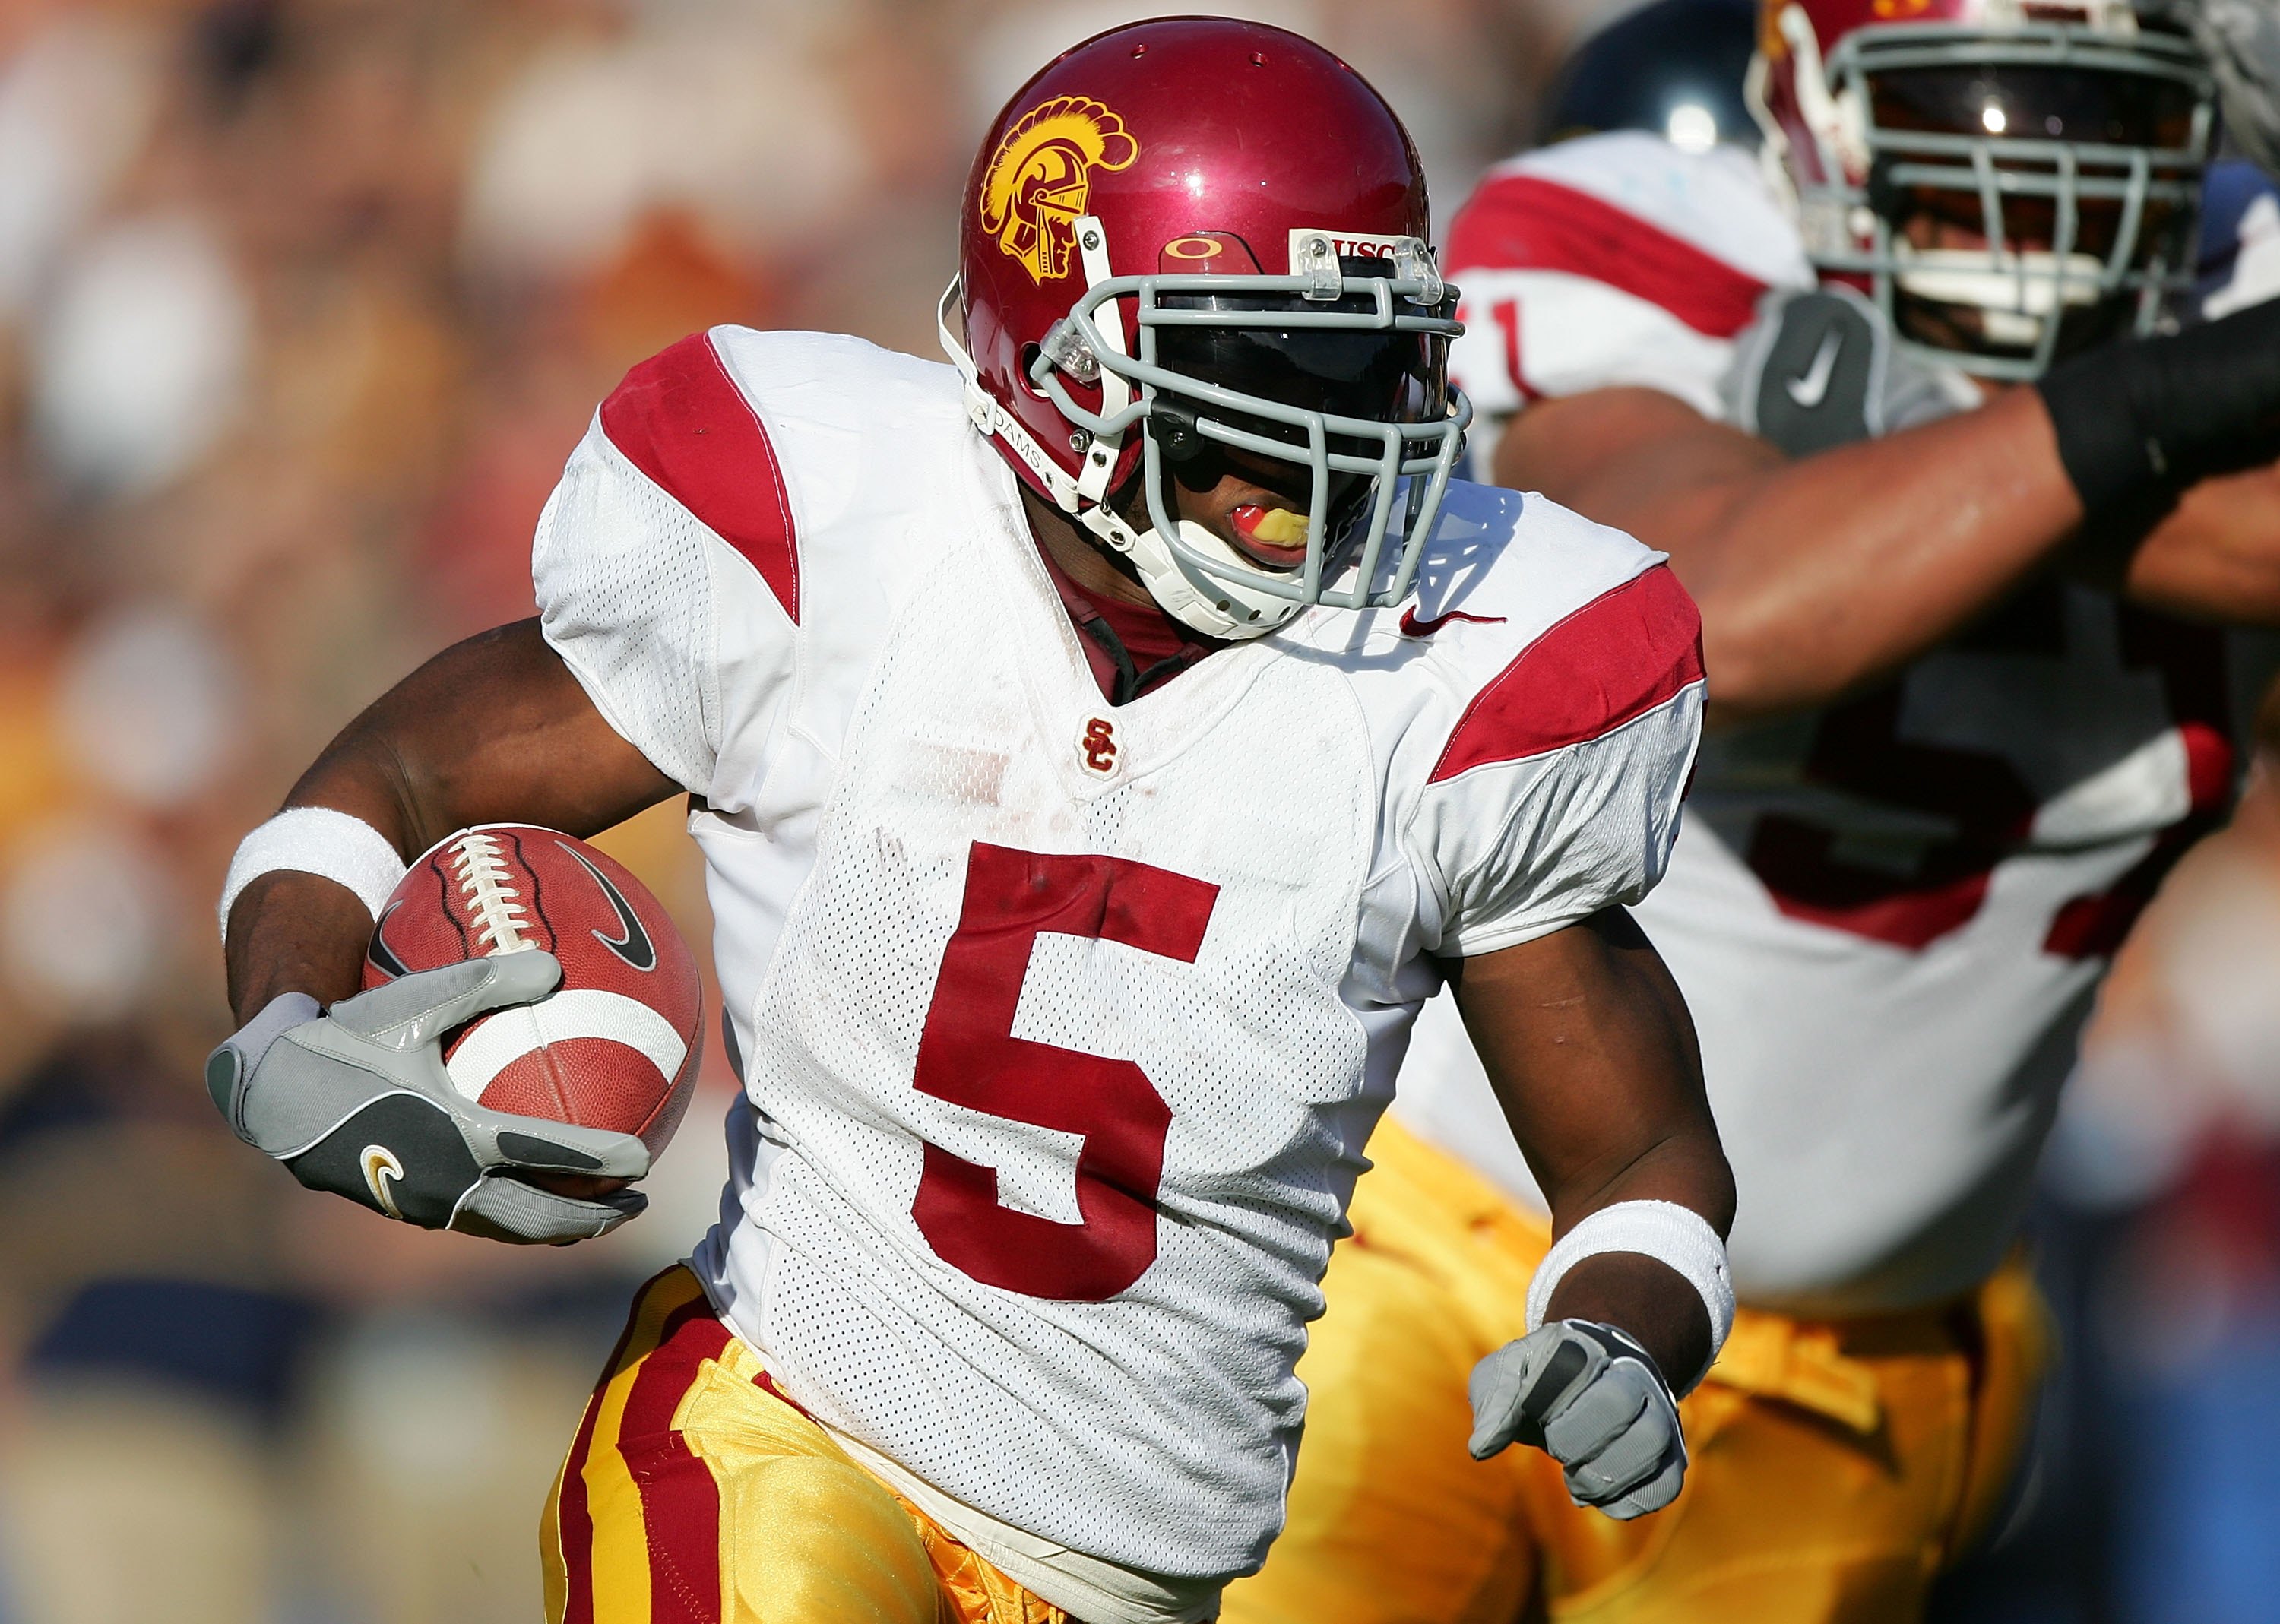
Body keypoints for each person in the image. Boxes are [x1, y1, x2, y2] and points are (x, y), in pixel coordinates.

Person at [202, 20, 1739, 1624]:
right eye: (1255, 375)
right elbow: (408, 777)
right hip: (782, 1437)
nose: (1326, 445)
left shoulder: (1460, 676)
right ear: (1059, 361)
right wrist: (293, 1008)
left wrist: (1625, 1325)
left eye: (1362, 364)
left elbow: (1637, 1155)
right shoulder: (844, 533)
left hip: (1133, 1579)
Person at [1222, 0, 2280, 1619]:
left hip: (1872, 1367)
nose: (2036, 197)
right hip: (1434, 1250)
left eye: (2097, 120)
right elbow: (1724, 608)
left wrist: (1921, 442)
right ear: (1816, 120)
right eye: (1976, 126)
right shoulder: (1649, 231)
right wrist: (2163, 409)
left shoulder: (2235, 263)